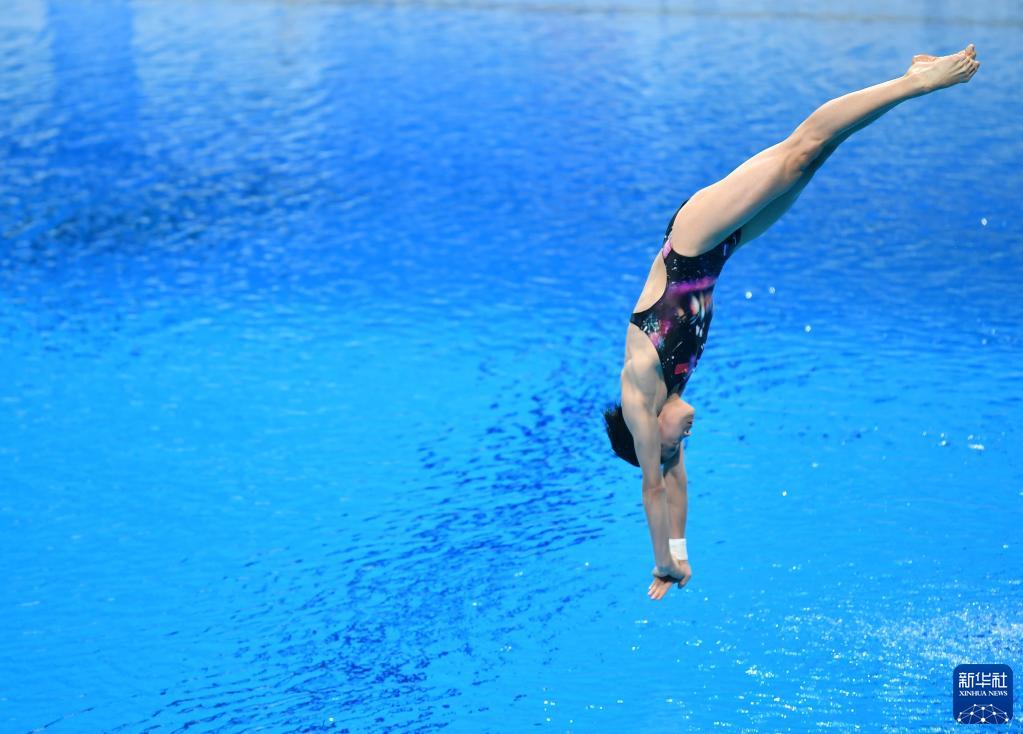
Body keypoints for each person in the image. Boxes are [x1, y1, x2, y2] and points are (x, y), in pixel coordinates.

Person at [602, 45, 980, 601]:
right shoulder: (669, 404)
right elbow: (677, 482)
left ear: (649, 435)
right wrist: (682, 556)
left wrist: (659, 562)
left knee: (798, 150)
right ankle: (908, 82)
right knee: (815, 159)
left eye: (671, 443)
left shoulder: (642, 388)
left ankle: (915, 82)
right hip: (721, 248)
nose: (688, 435)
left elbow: (655, 487)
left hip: (691, 239)